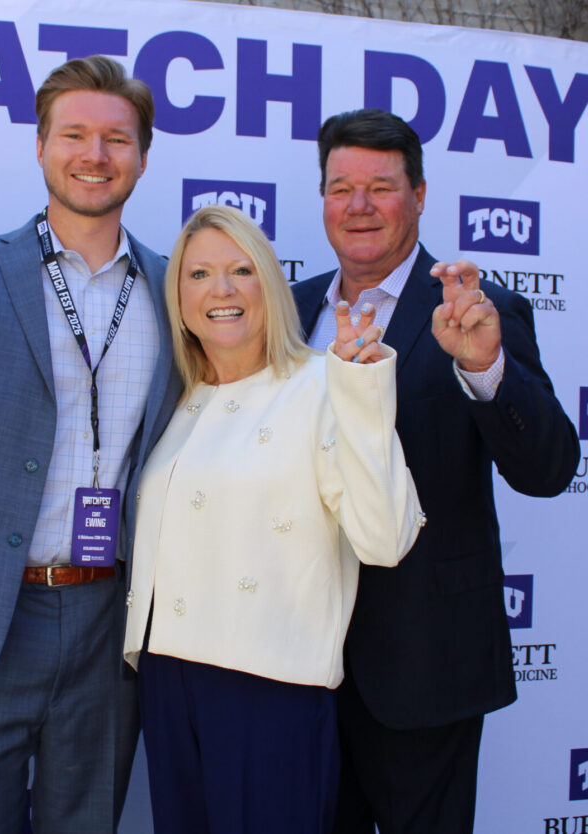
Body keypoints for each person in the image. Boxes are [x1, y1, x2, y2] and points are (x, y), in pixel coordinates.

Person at [0, 55, 181, 832]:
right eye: (74, 133)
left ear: (143, 156)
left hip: (109, 621)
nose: (95, 154)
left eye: (117, 138)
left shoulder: (177, 288)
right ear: (42, 147)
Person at [292, 108, 579, 834]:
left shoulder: (476, 311)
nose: (358, 205)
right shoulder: (289, 314)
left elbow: (548, 467)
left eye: (381, 187)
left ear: (420, 196)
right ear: (322, 198)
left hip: (427, 659)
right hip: (299, 658)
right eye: (340, 187)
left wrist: (483, 367)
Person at [122, 204, 422, 833]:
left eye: (241, 270)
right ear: (177, 297)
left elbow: (385, 541)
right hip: (168, 678)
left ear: (272, 284)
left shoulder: (325, 382)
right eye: (199, 274)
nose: (221, 290)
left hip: (273, 688)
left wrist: (365, 396)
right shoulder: (179, 398)